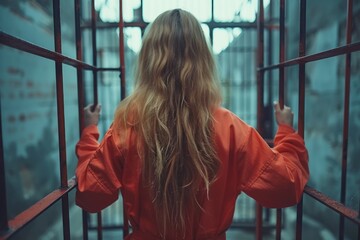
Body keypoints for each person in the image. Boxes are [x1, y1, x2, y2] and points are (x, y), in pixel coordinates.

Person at [75, 9, 309, 240]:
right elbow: (285, 188)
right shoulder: (230, 129)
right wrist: (287, 132)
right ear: (204, 61)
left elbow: (90, 196)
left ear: (147, 61)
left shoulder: (128, 127)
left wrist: (88, 135)